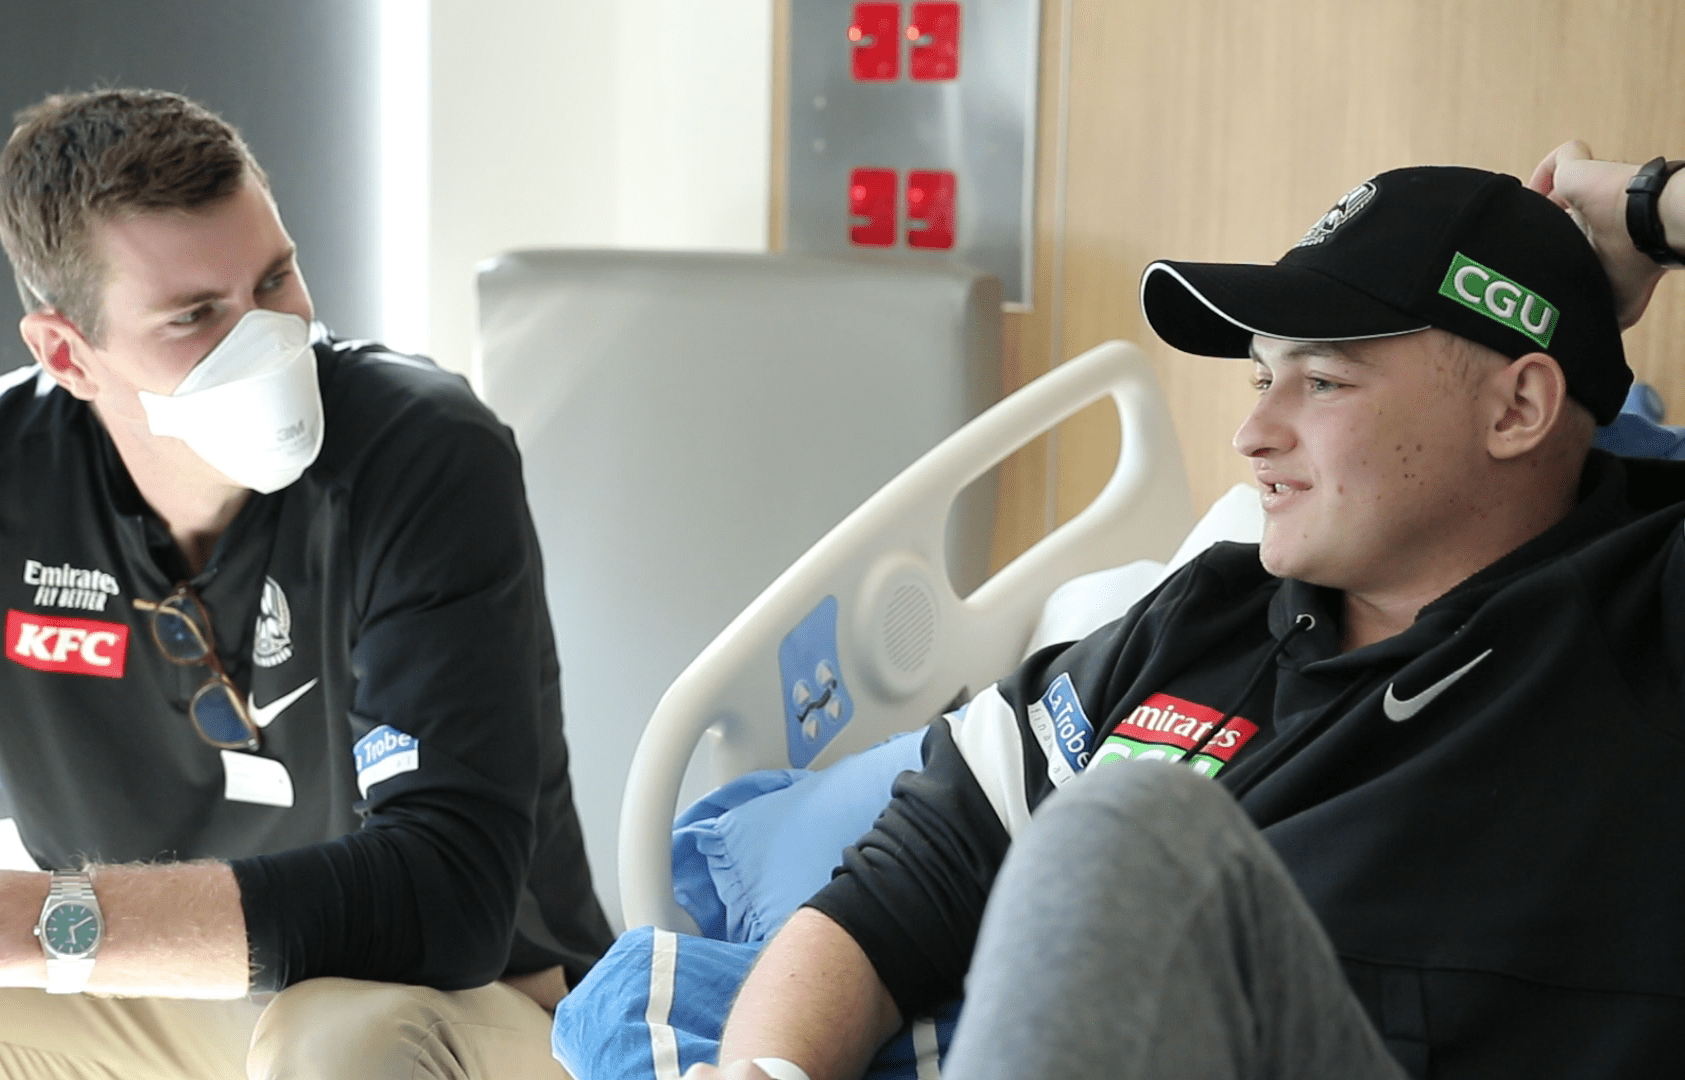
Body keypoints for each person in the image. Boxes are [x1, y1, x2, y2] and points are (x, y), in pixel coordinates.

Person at [690, 152, 1685, 1079]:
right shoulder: (1209, 614)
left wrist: (1647, 208)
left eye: (1322, 381)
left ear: (1516, 410)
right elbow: (903, 888)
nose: (1253, 432)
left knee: (1126, 832)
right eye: (1262, 377)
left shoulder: (1645, 611)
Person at [0, 89, 611, 1079]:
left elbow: (448, 896)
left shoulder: (422, 454)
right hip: (166, 1002)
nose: (269, 337)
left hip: (470, 1008)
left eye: (275, 279)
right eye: (196, 316)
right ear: (67, 354)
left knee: (334, 1040)